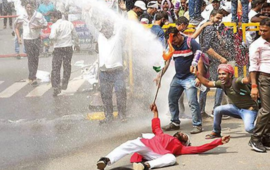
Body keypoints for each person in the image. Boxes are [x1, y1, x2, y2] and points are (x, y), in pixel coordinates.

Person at [96, 103, 231, 170]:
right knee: (129, 144)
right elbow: (156, 127)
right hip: (146, 146)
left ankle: (146, 166)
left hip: (157, 155)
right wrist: (156, 112)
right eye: (184, 133)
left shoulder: (181, 148)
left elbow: (200, 148)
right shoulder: (163, 134)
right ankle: (106, 160)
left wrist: (218, 142)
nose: (183, 134)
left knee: (171, 158)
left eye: (185, 137)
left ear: (185, 143)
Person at [155, 27, 203, 134]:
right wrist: (160, 76)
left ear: (178, 35)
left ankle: (197, 125)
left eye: (175, 40)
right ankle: (175, 122)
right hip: (178, 77)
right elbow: (166, 62)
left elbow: (199, 56)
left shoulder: (190, 42)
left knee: (192, 101)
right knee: (172, 99)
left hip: (190, 77)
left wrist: (198, 76)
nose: (174, 43)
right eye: (172, 42)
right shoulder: (172, 45)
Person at [192, 63, 258, 139]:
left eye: (223, 74)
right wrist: (197, 74)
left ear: (230, 75)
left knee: (249, 128)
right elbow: (207, 83)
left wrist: (253, 68)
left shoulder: (237, 81)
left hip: (249, 110)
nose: (221, 76)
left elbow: (247, 79)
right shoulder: (221, 83)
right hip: (236, 108)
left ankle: (267, 132)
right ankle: (216, 132)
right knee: (217, 109)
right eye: (219, 74)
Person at [248, 18, 270, 153]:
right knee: (266, 110)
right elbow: (253, 66)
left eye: (265, 30)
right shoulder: (256, 44)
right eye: (260, 30)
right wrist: (254, 86)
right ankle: (255, 138)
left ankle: (266, 137)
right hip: (264, 79)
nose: (262, 32)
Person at [97, 20, 127, 124]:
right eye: (104, 29)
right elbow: (90, 24)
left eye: (108, 28)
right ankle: (108, 116)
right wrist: (86, 12)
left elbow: (122, 22)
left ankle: (122, 114)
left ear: (112, 29)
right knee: (105, 95)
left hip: (117, 72)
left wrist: (123, 10)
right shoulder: (99, 37)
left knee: (121, 93)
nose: (106, 31)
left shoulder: (117, 36)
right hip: (104, 73)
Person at [14, 1, 48, 87]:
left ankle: (33, 75)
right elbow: (17, 28)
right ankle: (32, 77)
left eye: (30, 7)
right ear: (25, 8)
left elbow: (45, 25)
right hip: (27, 39)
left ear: (33, 7)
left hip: (36, 39)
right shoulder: (22, 16)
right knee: (30, 58)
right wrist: (19, 38)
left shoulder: (38, 16)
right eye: (27, 7)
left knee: (36, 58)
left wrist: (37, 27)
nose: (29, 9)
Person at [48, 10, 79, 96]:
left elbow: (52, 36)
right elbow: (75, 35)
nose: (51, 19)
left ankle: (56, 86)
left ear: (55, 17)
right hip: (68, 48)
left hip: (58, 48)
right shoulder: (69, 23)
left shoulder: (55, 25)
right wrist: (76, 44)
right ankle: (64, 83)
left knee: (56, 68)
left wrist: (51, 39)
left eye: (52, 18)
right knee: (67, 66)